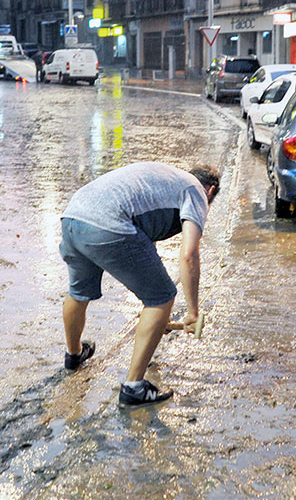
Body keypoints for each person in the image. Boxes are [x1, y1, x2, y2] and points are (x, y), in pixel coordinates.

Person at [59, 162, 221, 408]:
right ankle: (134, 387)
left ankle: (74, 355)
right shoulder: (196, 191)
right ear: (211, 192)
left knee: (78, 293)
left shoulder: (167, 179)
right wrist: (193, 312)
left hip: (73, 216)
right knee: (163, 296)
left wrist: (160, 319)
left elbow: (146, 248)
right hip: (108, 222)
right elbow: (189, 254)